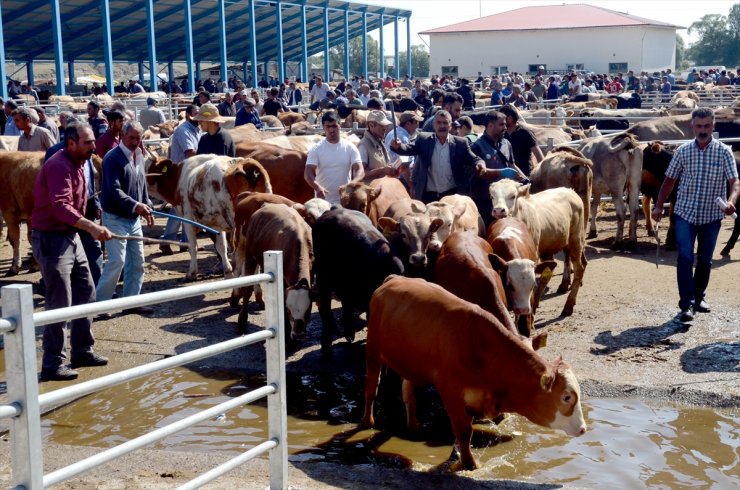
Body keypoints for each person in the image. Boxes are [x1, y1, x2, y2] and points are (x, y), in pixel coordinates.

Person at [32, 121, 113, 381]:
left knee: (86, 291)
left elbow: (80, 200)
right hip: (52, 239)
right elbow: (61, 207)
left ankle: (82, 350)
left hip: (70, 235)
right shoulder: (58, 165)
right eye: (88, 143)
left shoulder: (81, 163)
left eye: (93, 142)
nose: (93, 147)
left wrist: (92, 215)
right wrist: (91, 227)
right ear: (71, 143)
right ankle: (53, 363)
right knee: (59, 302)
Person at [652, 108, 739, 323]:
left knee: (705, 260)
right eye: (699, 126)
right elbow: (669, 180)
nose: (703, 130)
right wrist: (659, 205)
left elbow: (734, 182)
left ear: (713, 126)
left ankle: (699, 297)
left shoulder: (724, 152)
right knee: (685, 257)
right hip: (685, 213)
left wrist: (731, 201)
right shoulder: (683, 151)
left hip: (711, 216)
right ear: (692, 126)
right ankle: (687, 304)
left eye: (707, 126)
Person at [96, 120, 155, 315]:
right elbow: (113, 190)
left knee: (137, 261)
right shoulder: (112, 158)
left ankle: (131, 301)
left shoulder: (138, 155)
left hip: (133, 218)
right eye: (131, 138)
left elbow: (141, 182)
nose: (135, 142)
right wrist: (136, 205)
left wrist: (147, 203)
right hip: (115, 217)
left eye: (138, 138)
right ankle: (100, 305)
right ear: (122, 135)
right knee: (117, 261)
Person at [390, 110, 485, 204]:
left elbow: (475, 159)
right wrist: (398, 147)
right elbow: (408, 149)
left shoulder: (460, 143)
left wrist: (480, 164)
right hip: (427, 197)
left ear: (450, 125)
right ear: (434, 125)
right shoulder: (424, 140)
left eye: (445, 123)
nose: (442, 126)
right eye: (439, 123)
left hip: (451, 197)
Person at [471, 111, 525, 227]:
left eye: (505, 125)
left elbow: (512, 165)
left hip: (505, 200)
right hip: (486, 200)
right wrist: (501, 172)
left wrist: (525, 179)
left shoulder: (506, 143)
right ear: (490, 126)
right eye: (501, 125)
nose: (505, 128)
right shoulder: (476, 147)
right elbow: (479, 173)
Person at [162, 105, 201, 255]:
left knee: (186, 207)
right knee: (178, 207)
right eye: (196, 114)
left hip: (189, 172)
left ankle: (186, 242)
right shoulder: (183, 130)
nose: (198, 117)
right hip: (179, 173)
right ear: (188, 116)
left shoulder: (197, 129)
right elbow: (190, 152)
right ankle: (167, 241)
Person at [304, 111, 363, 205]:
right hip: (322, 203)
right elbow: (308, 173)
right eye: (328, 126)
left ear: (340, 126)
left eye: (334, 126)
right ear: (323, 127)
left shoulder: (350, 147)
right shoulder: (316, 149)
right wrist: (317, 187)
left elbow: (360, 169)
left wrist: (353, 183)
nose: (331, 130)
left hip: (344, 201)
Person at [498, 105, 543, 177]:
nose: (500, 121)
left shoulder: (525, 133)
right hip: (506, 175)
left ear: (510, 118)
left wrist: (543, 172)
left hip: (525, 175)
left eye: (502, 118)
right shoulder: (501, 133)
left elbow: (537, 153)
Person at [358, 110, 396, 180]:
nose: (385, 128)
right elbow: (359, 174)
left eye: (385, 125)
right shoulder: (363, 145)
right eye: (381, 125)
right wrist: (382, 170)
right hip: (370, 189)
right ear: (371, 125)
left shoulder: (380, 142)